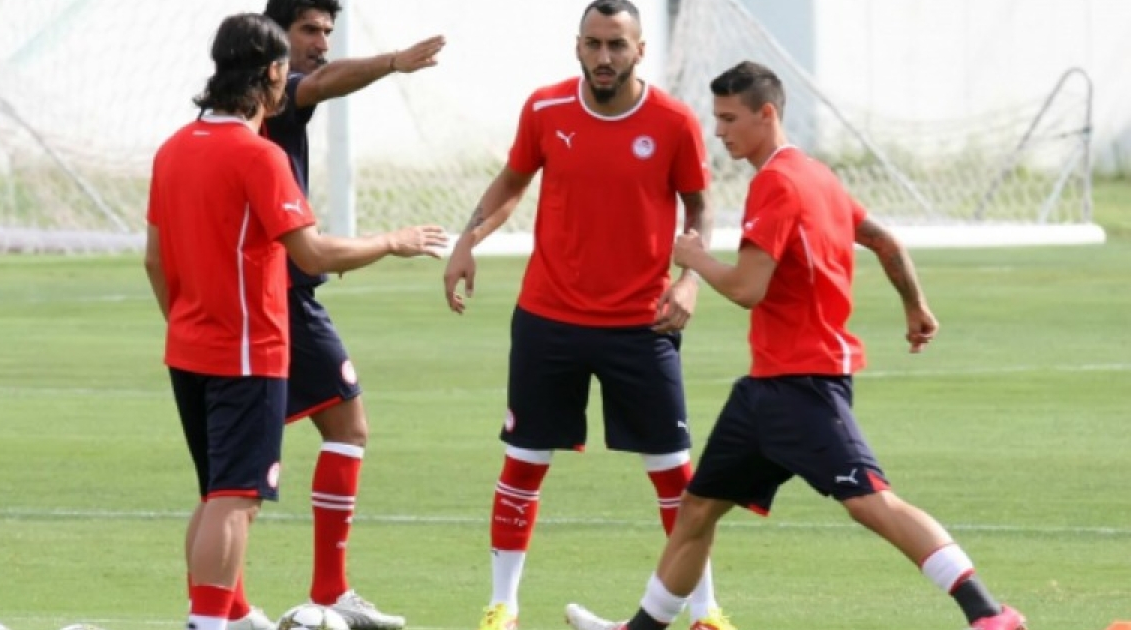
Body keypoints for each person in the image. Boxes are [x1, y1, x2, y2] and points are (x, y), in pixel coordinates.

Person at [562, 60, 1027, 630]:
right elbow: (884, 241)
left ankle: (988, 613)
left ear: (766, 114)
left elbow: (746, 289)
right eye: (716, 118)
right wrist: (915, 305)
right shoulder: (818, 175)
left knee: (871, 501)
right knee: (698, 508)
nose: (719, 131)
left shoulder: (776, 182)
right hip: (764, 390)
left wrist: (694, 259)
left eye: (729, 118)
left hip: (803, 385)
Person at [144, 13, 446, 630]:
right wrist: (392, 241)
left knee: (216, 494)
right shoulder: (259, 155)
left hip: (188, 349)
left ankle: (221, 617)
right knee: (237, 498)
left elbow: (153, 258)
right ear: (275, 72)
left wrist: (186, 323)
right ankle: (212, 623)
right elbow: (311, 253)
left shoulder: (172, 148)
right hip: (247, 351)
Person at [441, 2, 731, 630]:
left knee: (674, 474)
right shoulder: (545, 108)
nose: (604, 57)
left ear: (639, 50)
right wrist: (467, 241)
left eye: (616, 45)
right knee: (524, 462)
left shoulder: (674, 121)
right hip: (549, 319)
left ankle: (705, 612)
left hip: (643, 322)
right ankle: (502, 607)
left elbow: (700, 207)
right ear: (577, 46)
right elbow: (512, 182)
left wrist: (690, 280)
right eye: (594, 44)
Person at [257, 1, 446, 628]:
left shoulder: (228, 111)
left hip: (265, 292)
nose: (321, 43)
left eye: (328, 32)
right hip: (279, 295)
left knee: (267, 448)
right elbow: (322, 85)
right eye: (309, 30)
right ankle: (313, 593)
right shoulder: (276, 93)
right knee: (335, 430)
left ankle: (237, 604)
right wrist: (392, 62)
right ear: (275, 36)